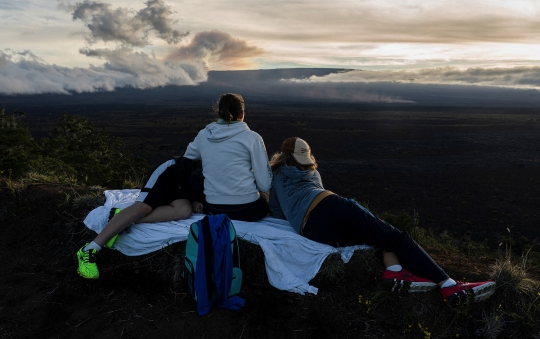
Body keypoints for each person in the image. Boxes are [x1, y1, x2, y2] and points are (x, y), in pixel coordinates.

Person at [268, 137, 496, 304]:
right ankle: (449, 286)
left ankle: (394, 269)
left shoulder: (276, 174)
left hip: (311, 229)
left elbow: (278, 213)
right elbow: (321, 196)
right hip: (332, 205)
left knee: (370, 239)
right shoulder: (312, 172)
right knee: (395, 237)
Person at [76, 157, 204, 279]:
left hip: (185, 185)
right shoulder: (211, 145)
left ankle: (125, 219)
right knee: (143, 208)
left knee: (184, 210)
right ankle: (89, 249)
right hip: (172, 172)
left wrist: (195, 199)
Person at [183, 93, 272, 222]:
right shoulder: (252, 138)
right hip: (248, 210)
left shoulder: (204, 135)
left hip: (213, 208)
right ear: (242, 114)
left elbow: (187, 157)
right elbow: (264, 185)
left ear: (219, 113)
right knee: (266, 196)